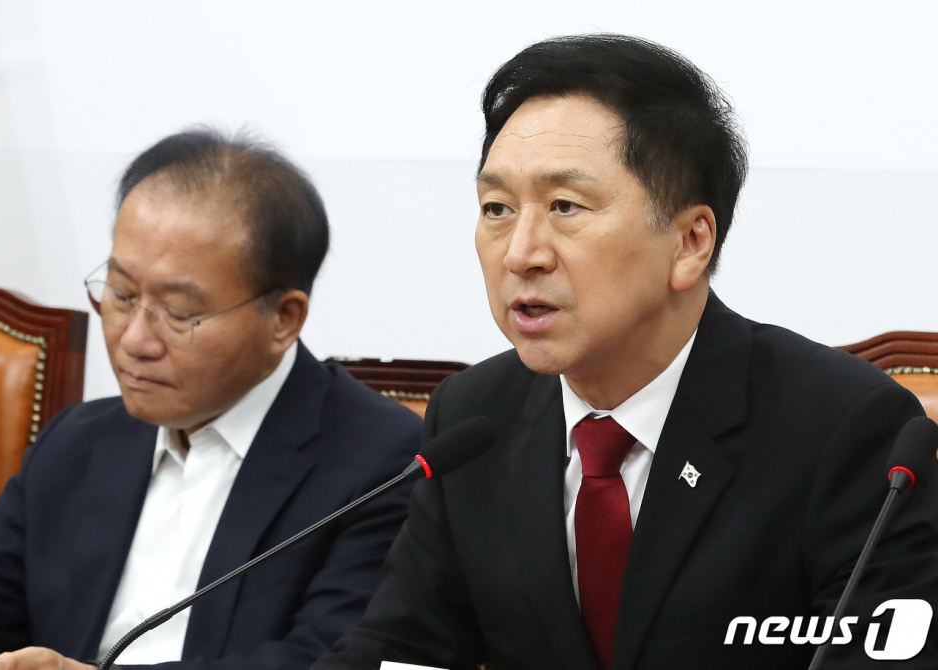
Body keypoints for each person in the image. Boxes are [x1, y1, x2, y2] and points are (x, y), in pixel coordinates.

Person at [311, 35, 938, 669]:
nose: (521, 253)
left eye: (565, 206)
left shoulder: (842, 427)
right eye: (496, 208)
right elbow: (403, 646)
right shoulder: (474, 419)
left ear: (690, 242)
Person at [0, 129, 423, 670]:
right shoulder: (78, 443)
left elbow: (330, 661)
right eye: (121, 295)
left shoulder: (385, 465)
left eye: (179, 314)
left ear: (283, 318)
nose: (134, 340)